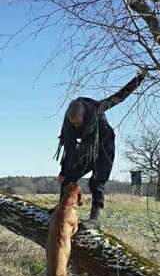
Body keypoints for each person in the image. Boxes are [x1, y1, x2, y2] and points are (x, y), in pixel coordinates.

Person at [54, 69, 147, 229]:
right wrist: (64, 172)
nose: (75, 126)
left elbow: (119, 97)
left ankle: (95, 219)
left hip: (105, 144)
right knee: (68, 175)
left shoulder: (96, 108)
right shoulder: (68, 122)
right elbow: (69, 148)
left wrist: (139, 79)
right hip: (87, 146)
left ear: (84, 116)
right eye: (73, 123)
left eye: (78, 123)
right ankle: (62, 209)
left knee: (97, 181)